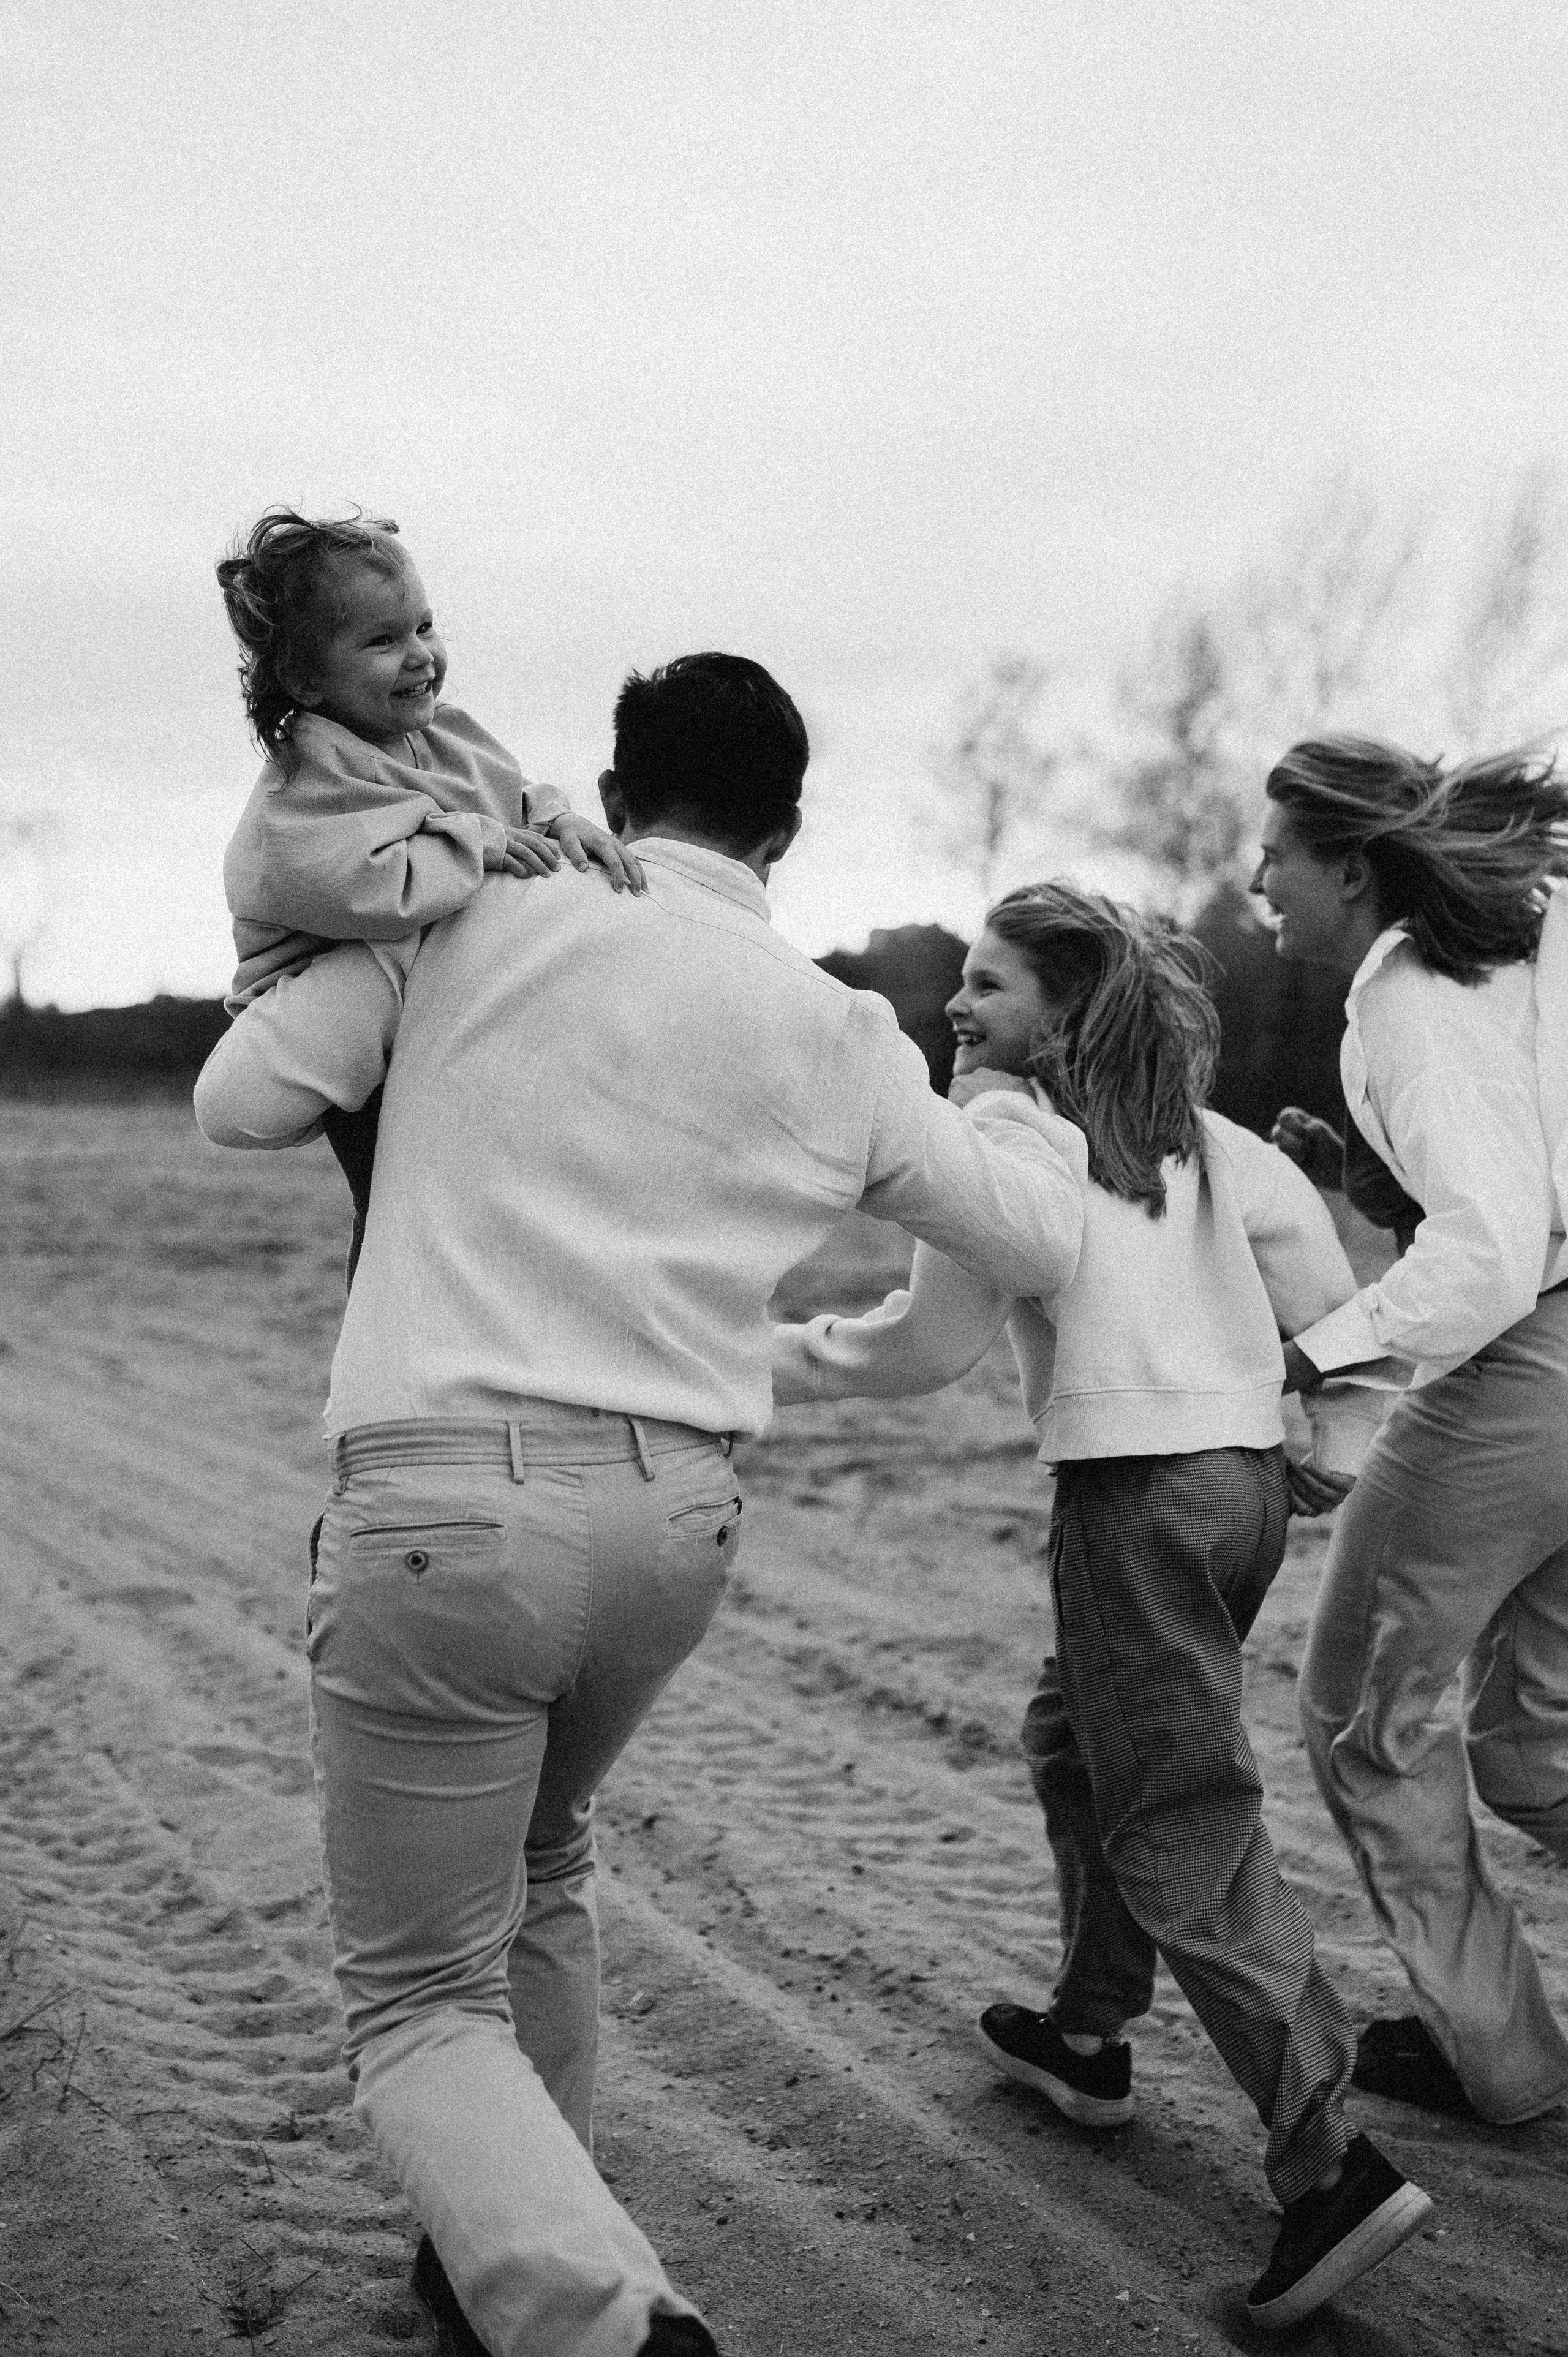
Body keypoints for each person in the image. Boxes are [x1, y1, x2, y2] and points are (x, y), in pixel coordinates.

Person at [193, 653, 1088, 2357]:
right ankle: (520, 2239)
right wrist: (1011, 1113)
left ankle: (601, 2317)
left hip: (449, 1505)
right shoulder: (837, 1025)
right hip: (675, 1525)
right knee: (545, 1856)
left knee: (416, 2001)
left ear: (612, 795)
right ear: (788, 830)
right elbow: (1036, 1239)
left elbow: (241, 1105)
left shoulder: (468, 911)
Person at [771, 883, 1431, 2333]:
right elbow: (1330, 1286)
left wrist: (740, 1361)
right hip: (1241, 1490)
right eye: (961, 978)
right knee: (1077, 1738)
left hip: (1134, 1502)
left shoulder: (1007, 1149)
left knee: (1177, 1817)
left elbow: (920, 1344)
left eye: (989, 984)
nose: (958, 1005)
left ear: (1060, 1012)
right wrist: (1328, 1440)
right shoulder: (1210, 1138)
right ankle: (1084, 2033)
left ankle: (1328, 2165)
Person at [1254, 734, 1568, 2126]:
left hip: (1529, 1367)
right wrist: (1370, 1187)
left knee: (1355, 1719)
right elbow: (1517, 1193)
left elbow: (1493, 1252)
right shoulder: (1500, 966)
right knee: (1535, 1744)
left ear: (1347, 865)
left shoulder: (1408, 993)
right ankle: (1498, 2039)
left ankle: (1498, 2055)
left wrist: (1312, 1352)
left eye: (1274, 851)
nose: (1255, 877)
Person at [216, 507, 642, 1275]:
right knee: (395, 1206)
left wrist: (556, 818)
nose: (420, 655)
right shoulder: (307, 777)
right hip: (344, 1015)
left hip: (446, 999)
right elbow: (365, 881)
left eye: (424, 626)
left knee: (490, 1191)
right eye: (382, 641)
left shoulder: (447, 733)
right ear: (305, 679)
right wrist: (477, 842)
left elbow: (508, 796)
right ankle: (382, 1312)